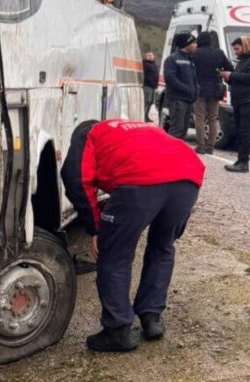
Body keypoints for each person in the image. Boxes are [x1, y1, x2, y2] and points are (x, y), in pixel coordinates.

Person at [61, 119, 204, 352]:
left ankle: (117, 330)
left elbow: (75, 179)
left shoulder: (88, 135)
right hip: (188, 176)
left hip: (139, 181)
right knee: (162, 247)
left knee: (114, 255)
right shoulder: (137, 127)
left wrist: (95, 228)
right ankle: (151, 317)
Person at [221, 36, 250, 173]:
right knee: (241, 131)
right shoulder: (244, 60)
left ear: (245, 46)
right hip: (239, 100)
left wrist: (232, 75)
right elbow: (241, 79)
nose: (235, 52)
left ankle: (243, 161)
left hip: (249, 100)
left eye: (237, 49)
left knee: (245, 132)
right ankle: (240, 159)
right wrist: (228, 78)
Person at [190, 31, 232, 154]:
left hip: (199, 89)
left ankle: (200, 146)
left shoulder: (195, 53)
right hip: (215, 90)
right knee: (213, 118)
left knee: (199, 118)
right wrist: (219, 72)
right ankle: (210, 146)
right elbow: (230, 68)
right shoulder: (219, 53)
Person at [163, 32, 198, 139]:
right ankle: (168, 154)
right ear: (187, 44)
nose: (196, 45)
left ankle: (177, 154)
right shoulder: (172, 59)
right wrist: (186, 89)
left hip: (188, 100)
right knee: (176, 130)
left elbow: (193, 78)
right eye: (194, 42)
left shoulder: (190, 59)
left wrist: (197, 89)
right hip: (178, 100)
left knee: (183, 131)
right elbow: (170, 78)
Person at [142, 52, 160, 122]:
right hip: (147, 86)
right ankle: (143, 116)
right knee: (147, 101)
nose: (150, 56)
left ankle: (146, 116)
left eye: (151, 55)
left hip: (153, 87)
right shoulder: (145, 63)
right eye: (148, 55)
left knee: (150, 102)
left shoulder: (154, 64)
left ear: (154, 56)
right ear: (145, 57)